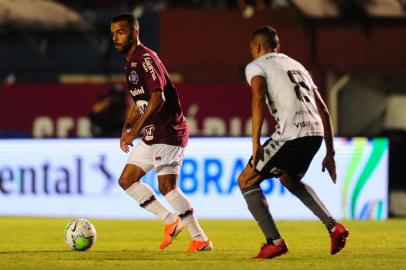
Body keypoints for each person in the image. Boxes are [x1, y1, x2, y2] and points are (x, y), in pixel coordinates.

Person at [238, 26, 349, 259]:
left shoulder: (256, 66)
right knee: (289, 178)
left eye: (251, 48)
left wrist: (256, 142)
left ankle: (274, 242)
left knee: (246, 180)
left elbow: (258, 98)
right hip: (315, 133)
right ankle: (333, 226)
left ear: (257, 47)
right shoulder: (297, 65)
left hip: (291, 135)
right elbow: (324, 110)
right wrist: (330, 154)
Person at [110, 13, 212, 252]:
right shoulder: (130, 62)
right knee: (127, 180)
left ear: (134, 33)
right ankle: (170, 221)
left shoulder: (146, 59)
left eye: (120, 32)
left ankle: (200, 239)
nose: (115, 38)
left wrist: (135, 130)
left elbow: (158, 99)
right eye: (113, 33)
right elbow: (141, 102)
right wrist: (127, 127)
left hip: (168, 131)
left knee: (168, 186)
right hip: (152, 133)